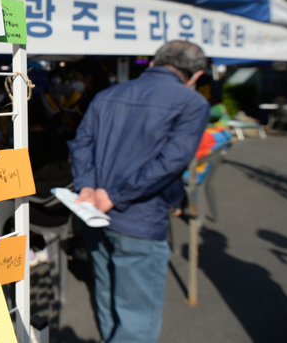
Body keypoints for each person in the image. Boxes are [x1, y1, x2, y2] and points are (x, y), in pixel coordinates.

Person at [69, 40, 210, 343]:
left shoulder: (109, 94)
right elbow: (170, 163)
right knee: (135, 318)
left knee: (107, 294)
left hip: (92, 211)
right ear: (195, 76)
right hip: (138, 220)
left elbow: (81, 144)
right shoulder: (191, 102)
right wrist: (113, 195)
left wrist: (88, 187)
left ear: (156, 61)